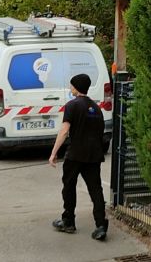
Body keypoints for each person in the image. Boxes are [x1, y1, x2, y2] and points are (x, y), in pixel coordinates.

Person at [50, 73, 108, 241]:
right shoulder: (97, 109)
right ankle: (101, 225)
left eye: (71, 86)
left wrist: (54, 153)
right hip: (94, 155)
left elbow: (64, 131)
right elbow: (100, 132)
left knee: (69, 187)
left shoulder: (72, 106)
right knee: (96, 190)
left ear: (76, 87)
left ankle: (68, 221)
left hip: (75, 154)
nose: (70, 88)